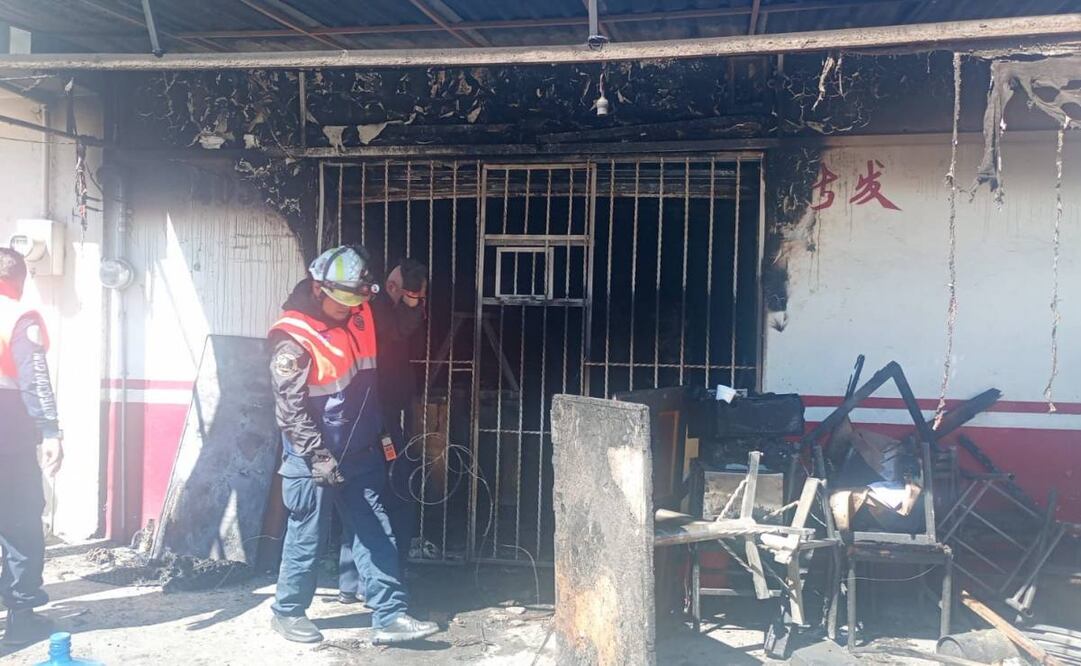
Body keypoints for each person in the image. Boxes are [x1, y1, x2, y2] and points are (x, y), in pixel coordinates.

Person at [268, 245, 438, 645]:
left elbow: (400, 328)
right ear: (318, 289)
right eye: (341, 303)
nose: (348, 311)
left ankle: (390, 615)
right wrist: (318, 456)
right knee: (307, 535)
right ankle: (287, 611)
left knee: (376, 530)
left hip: (360, 451)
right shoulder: (292, 338)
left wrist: (412, 297)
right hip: (312, 457)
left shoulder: (360, 309)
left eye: (354, 303)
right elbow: (290, 410)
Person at [338, 258, 428, 605]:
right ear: (391, 287)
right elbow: (401, 329)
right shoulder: (375, 311)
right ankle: (373, 580)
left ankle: (352, 580)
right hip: (375, 417)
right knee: (385, 491)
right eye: (409, 294)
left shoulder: (376, 310)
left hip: (376, 413)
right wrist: (412, 303)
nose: (415, 303)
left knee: (365, 493)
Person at [0, 247, 63, 646]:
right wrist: (51, 430)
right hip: (7, 431)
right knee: (20, 521)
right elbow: (34, 378)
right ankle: (21, 617)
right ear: (19, 280)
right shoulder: (16, 315)